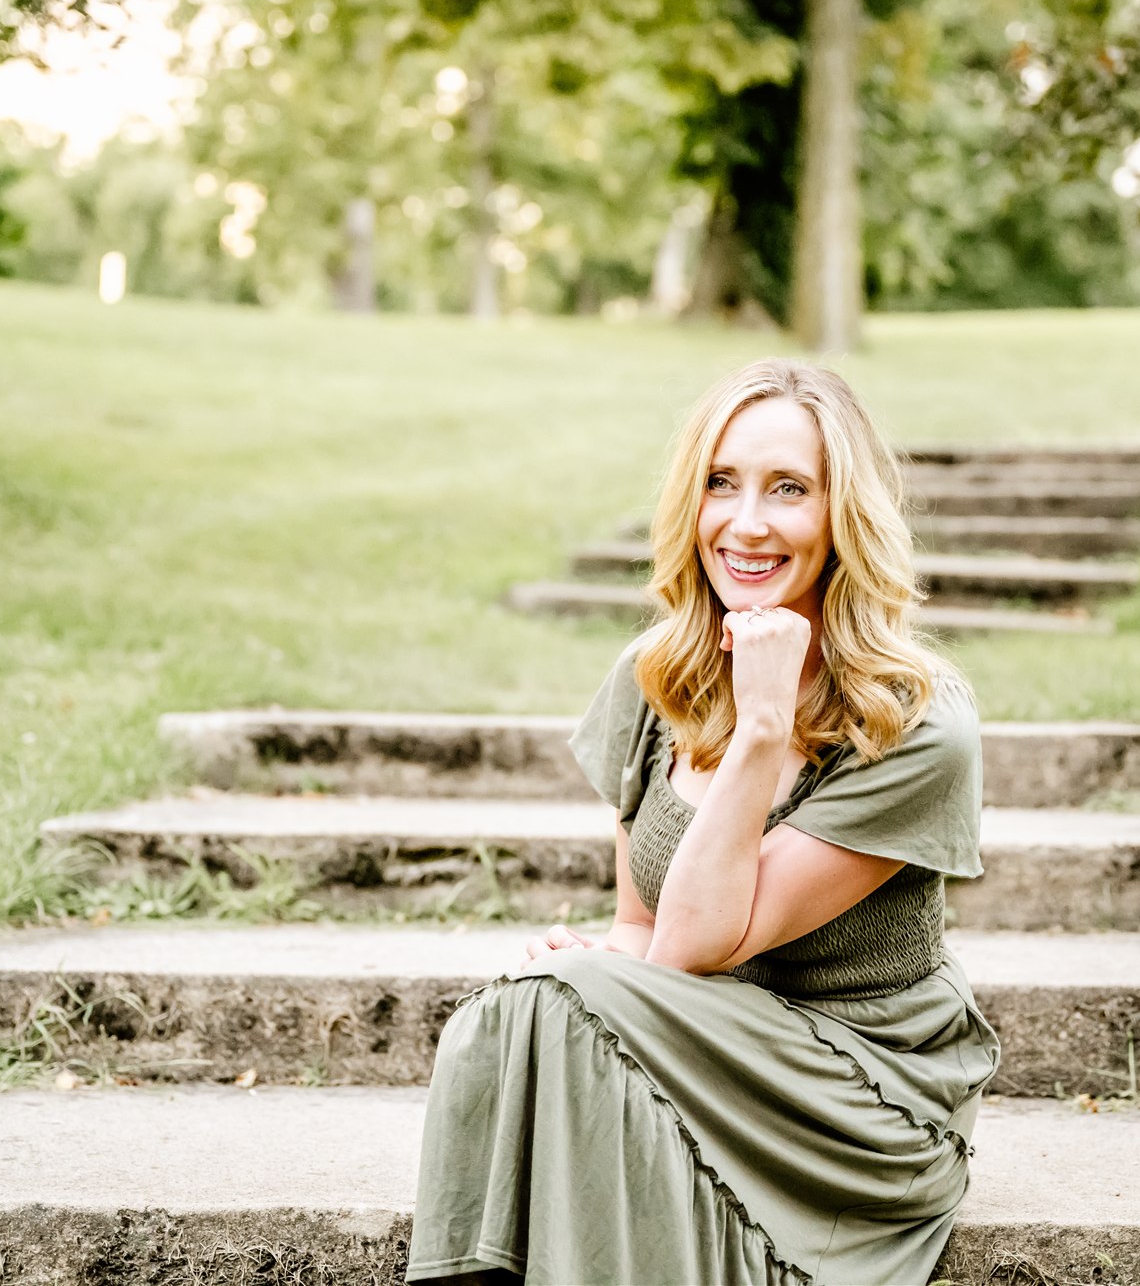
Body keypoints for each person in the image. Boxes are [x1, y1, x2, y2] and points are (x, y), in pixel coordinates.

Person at [405, 358, 1001, 1286]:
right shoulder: (662, 676)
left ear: (844, 516)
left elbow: (690, 946)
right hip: (706, 1043)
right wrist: (599, 972)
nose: (747, 521)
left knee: (553, 1002)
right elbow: (639, 931)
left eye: (789, 489)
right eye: (721, 483)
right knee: (506, 1019)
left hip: (855, 1097)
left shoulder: (916, 724)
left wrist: (763, 731)